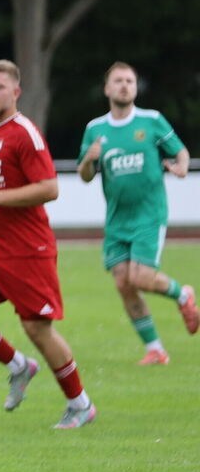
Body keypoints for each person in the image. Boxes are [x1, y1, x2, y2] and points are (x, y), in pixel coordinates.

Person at [0, 60, 97, 429]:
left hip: (27, 249)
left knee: (38, 328)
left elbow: (50, 188)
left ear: (15, 92)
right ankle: (19, 365)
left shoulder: (25, 134)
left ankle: (80, 403)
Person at [78, 61, 196, 364]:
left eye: (129, 81)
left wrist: (181, 166)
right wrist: (89, 160)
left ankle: (183, 295)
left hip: (148, 214)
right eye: (118, 81)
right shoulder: (95, 129)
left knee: (141, 277)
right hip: (117, 219)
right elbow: (85, 175)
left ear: (135, 87)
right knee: (123, 283)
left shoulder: (151, 120)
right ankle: (155, 348)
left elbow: (181, 152)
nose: (124, 85)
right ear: (107, 88)